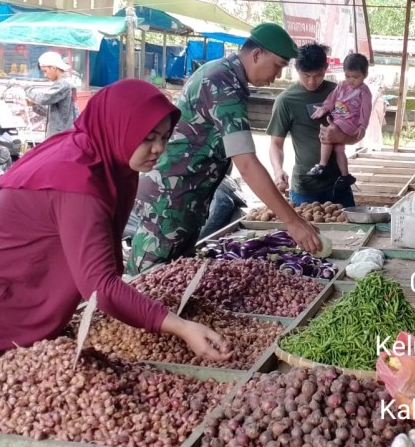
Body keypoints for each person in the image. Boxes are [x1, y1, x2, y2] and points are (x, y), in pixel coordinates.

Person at [0, 79, 232, 376]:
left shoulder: (100, 152)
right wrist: (181, 327)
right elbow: (102, 288)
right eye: (147, 138)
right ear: (116, 127)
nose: (158, 149)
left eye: (164, 137)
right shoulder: (79, 181)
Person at [127, 23, 322, 275]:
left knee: (173, 278)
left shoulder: (221, 72)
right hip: (170, 201)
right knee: (147, 284)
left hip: (185, 197)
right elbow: (247, 163)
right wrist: (293, 222)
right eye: (278, 66)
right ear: (257, 55)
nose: (276, 76)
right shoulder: (223, 83)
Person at [267, 43, 364, 207]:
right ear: (296, 68)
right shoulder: (286, 101)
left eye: (318, 75)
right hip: (305, 188)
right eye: (306, 76)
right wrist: (278, 170)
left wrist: (341, 137)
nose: (312, 81)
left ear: (326, 68)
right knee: (307, 231)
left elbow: (359, 134)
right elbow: (276, 144)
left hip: (339, 184)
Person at [307, 53, 371, 186]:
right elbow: (331, 99)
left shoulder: (364, 91)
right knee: (338, 148)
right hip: (338, 118)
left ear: (365, 75)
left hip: (350, 122)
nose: (351, 80)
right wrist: (324, 109)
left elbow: (366, 110)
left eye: (356, 77)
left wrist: (362, 126)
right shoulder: (341, 85)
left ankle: (322, 165)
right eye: (348, 76)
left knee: (328, 133)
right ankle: (345, 175)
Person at [25, 51, 79, 138]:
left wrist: (27, 89)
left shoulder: (63, 84)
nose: (45, 75)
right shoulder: (64, 83)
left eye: (45, 71)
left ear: (54, 68)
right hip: (62, 135)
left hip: (61, 137)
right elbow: (52, 113)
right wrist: (34, 105)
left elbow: (43, 98)